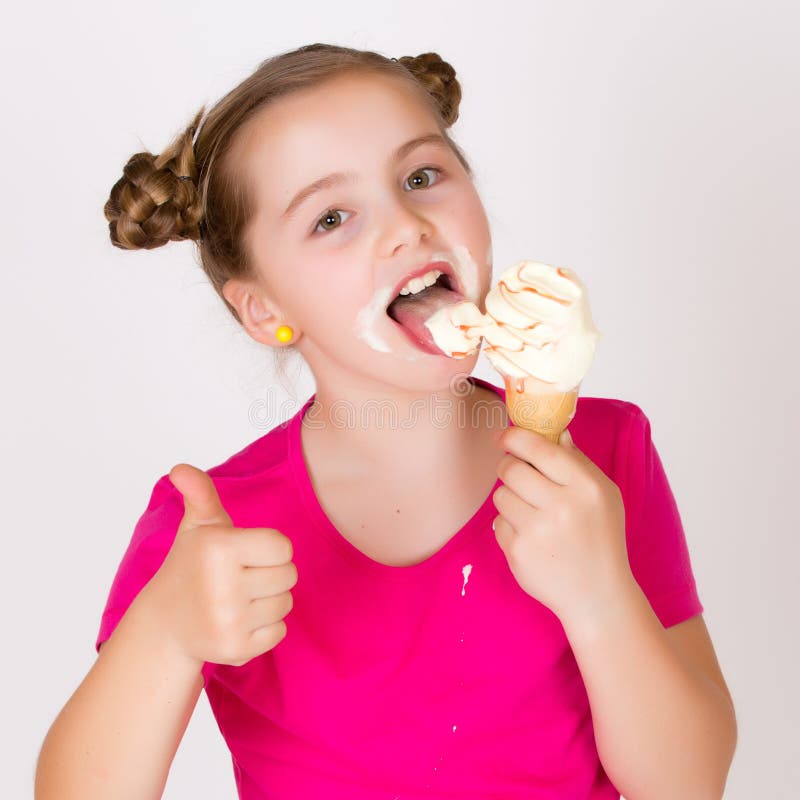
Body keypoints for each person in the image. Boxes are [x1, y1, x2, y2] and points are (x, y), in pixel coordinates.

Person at [34, 43, 737, 799]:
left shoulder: (603, 453)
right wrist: (164, 639)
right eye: (331, 217)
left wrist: (602, 602)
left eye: (422, 177)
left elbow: (688, 782)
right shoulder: (208, 529)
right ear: (264, 309)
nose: (405, 225)